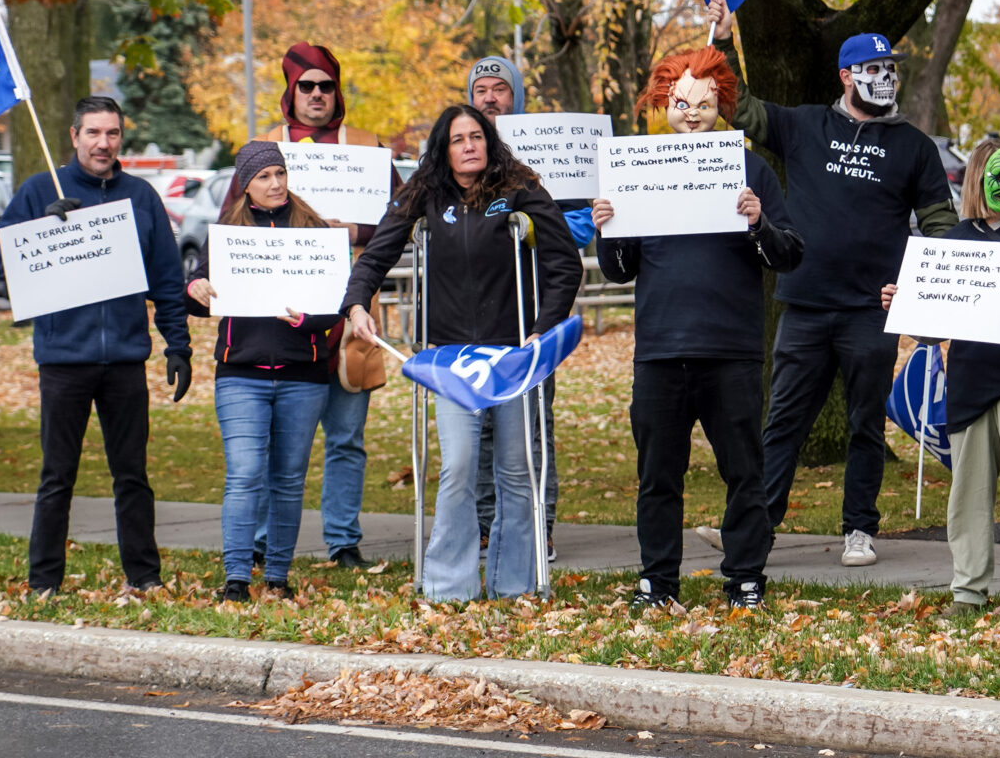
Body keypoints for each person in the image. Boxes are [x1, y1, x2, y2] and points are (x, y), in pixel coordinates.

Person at [708, 0, 957, 567]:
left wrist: (927, 289)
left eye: (891, 69)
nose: (885, 78)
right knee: (782, 425)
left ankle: (859, 531)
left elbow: (940, 225)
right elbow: (737, 106)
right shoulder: (802, 125)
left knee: (865, 423)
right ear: (846, 76)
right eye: (873, 70)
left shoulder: (915, 148)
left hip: (873, 310)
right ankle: (755, 529)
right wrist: (724, 41)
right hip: (803, 304)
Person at [592, 48, 804, 610]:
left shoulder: (751, 169)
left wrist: (758, 221)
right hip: (660, 349)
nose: (692, 113)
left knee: (744, 471)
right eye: (680, 103)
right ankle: (658, 583)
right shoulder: (637, 168)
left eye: (705, 103)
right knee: (658, 475)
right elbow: (618, 271)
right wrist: (608, 229)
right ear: (662, 103)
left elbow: (789, 254)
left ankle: (745, 580)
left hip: (730, 349)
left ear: (723, 105)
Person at [342, 105, 582, 600]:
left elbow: (565, 261)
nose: (469, 145)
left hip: (512, 352)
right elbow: (379, 254)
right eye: (458, 139)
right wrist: (355, 304)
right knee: (459, 465)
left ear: (488, 143)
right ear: (443, 148)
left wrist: (543, 329)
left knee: (516, 466)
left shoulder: (520, 186)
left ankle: (515, 583)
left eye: (477, 137)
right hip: (453, 357)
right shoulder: (425, 192)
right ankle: (448, 585)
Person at [0, 95, 192, 596]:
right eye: (93, 133)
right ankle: (44, 581)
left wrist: (178, 346)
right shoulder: (40, 191)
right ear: (75, 136)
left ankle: (144, 577)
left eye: (113, 134)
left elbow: (167, 281)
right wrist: (42, 226)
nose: (103, 143)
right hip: (64, 360)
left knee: (132, 476)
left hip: (124, 359)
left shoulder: (141, 197)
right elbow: (0, 266)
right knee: (58, 475)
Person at [881, 142, 1000, 619]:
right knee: (967, 493)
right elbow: (933, 331)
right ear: (977, 179)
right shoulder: (950, 242)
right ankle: (968, 592)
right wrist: (902, 307)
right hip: (968, 382)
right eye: (998, 174)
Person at [239, 42, 396, 570]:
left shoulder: (367, 147)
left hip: (350, 318)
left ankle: (343, 540)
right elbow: (230, 226)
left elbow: (400, 219)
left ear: (337, 91)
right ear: (291, 91)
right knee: (272, 442)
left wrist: (354, 230)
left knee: (347, 437)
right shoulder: (265, 149)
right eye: (306, 86)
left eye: (326, 86)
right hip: (280, 321)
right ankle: (260, 540)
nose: (316, 96)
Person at [185, 142, 342, 603]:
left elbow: (337, 302)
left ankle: (277, 575)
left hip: (303, 373)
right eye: (264, 176)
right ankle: (236, 577)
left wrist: (307, 321)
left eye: (280, 173)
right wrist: (195, 288)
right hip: (241, 372)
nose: (275, 184)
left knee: (289, 478)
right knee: (245, 473)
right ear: (246, 183)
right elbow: (197, 297)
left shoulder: (314, 229)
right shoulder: (228, 233)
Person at [465, 55, 588, 560]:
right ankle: (486, 526)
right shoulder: (461, 155)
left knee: (533, 425)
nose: (490, 98)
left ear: (516, 97)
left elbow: (583, 224)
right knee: (480, 428)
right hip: (472, 317)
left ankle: (541, 524)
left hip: (531, 315)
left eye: (500, 89)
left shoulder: (553, 149)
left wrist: (537, 229)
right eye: (481, 91)